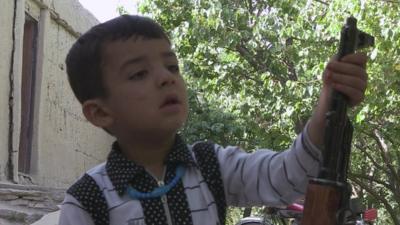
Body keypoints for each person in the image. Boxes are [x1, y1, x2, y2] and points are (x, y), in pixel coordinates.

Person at [58, 15, 368, 225]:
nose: (166, 78)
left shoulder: (212, 165)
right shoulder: (86, 201)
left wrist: (328, 100)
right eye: (139, 73)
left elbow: (289, 176)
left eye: (172, 67)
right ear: (99, 112)